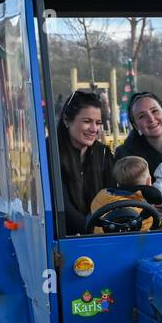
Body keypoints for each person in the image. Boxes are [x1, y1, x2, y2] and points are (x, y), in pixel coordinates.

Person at [57, 89, 116, 236]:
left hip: (103, 234)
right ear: (66, 120)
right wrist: (92, 231)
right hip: (67, 238)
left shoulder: (103, 153)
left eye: (98, 123)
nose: (94, 129)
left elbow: (113, 197)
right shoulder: (51, 155)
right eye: (87, 121)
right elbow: (63, 206)